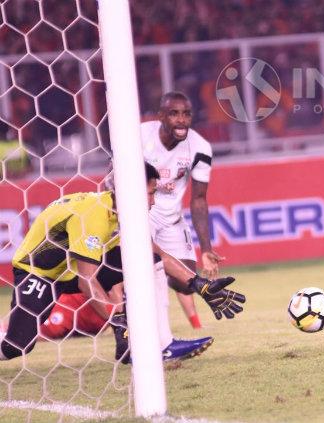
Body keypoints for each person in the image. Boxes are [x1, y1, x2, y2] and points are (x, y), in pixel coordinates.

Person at [0, 163, 245, 362]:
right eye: (150, 193)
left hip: (71, 270)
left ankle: (161, 345)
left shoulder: (125, 212)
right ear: (132, 191)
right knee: (17, 346)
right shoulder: (94, 216)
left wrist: (199, 285)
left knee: (147, 257)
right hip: (39, 272)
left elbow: (157, 253)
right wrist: (116, 318)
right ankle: (124, 336)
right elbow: (87, 281)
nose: (153, 201)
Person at [141, 91, 224, 329]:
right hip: (141, 213)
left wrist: (206, 248)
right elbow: (113, 177)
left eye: (186, 114)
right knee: (140, 269)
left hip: (171, 219)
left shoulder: (200, 147)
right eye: (174, 114)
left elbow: (198, 199)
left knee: (186, 282)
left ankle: (161, 270)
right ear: (161, 116)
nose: (181, 120)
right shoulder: (138, 136)